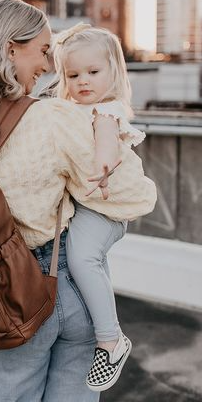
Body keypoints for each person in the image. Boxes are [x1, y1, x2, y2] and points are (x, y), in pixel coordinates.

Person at [0, 0, 157, 402]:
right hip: (64, 285)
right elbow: (134, 197)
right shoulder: (51, 118)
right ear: (9, 49)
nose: (48, 66)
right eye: (41, 51)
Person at [51, 23, 150, 391]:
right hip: (96, 207)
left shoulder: (106, 111)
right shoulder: (75, 110)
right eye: (73, 74)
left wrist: (102, 168)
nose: (83, 81)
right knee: (92, 264)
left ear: (114, 72)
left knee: (82, 261)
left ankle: (111, 340)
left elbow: (106, 143)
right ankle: (105, 332)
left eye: (93, 72)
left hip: (104, 207)